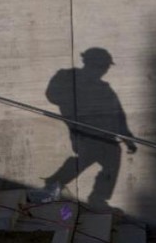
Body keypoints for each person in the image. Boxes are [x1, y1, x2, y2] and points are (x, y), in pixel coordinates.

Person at [42, 47, 137, 209]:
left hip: (105, 135)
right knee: (86, 157)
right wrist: (76, 102)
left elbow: (118, 113)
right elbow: (52, 95)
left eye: (106, 67)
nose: (105, 70)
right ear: (92, 64)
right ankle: (54, 184)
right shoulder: (68, 77)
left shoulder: (104, 88)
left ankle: (97, 197)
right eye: (103, 66)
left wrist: (127, 137)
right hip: (84, 132)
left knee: (110, 161)